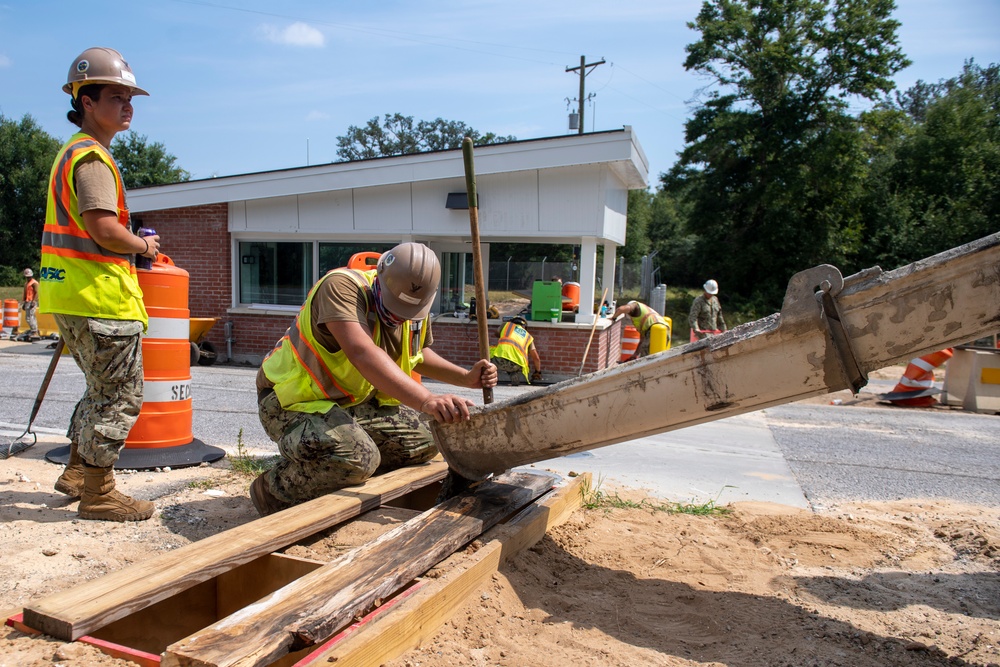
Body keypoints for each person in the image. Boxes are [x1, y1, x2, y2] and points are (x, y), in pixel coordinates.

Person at [250, 242, 498, 516]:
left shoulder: (414, 311)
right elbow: (362, 351)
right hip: (291, 401)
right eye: (394, 309)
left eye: (406, 314)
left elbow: (419, 353)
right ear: (380, 279)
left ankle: (345, 468)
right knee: (356, 458)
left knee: (428, 440)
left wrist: (466, 378)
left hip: (347, 403)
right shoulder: (341, 288)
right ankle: (273, 492)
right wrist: (427, 400)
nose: (398, 319)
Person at [39, 47, 161, 522]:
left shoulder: (73, 152)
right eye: (116, 96)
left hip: (71, 293)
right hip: (98, 297)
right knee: (121, 395)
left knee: (99, 389)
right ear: (86, 101)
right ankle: (99, 493)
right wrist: (144, 247)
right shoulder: (92, 159)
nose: (127, 105)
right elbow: (105, 229)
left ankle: (76, 471)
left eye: (130, 97)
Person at [490, 316, 543, 386]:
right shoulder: (528, 337)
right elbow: (536, 358)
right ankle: (514, 376)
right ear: (524, 327)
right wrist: (537, 372)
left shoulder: (506, 325)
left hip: (499, 360)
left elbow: (496, 334)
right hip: (515, 365)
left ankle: (486, 372)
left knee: (488, 350)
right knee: (516, 362)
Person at [21, 268, 40, 339]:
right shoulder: (27, 283)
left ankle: (34, 331)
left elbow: (37, 292)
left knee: (30, 317)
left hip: (31, 302)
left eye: (29, 276)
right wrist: (24, 303)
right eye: (27, 277)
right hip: (27, 301)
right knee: (29, 317)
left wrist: (34, 301)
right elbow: (26, 294)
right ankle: (34, 330)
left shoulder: (34, 283)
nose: (28, 278)